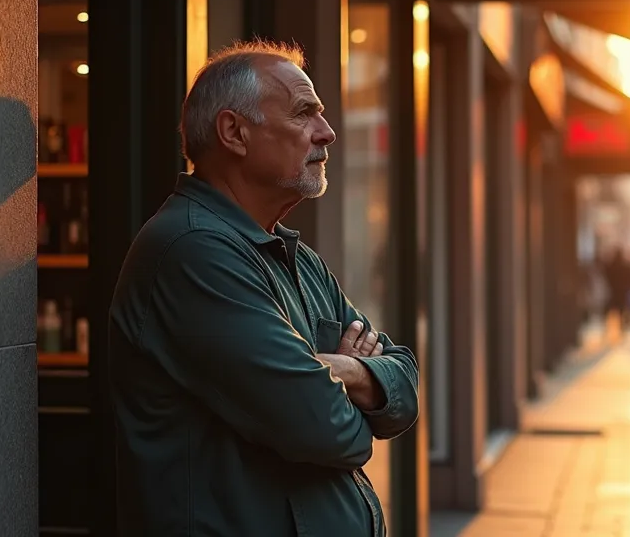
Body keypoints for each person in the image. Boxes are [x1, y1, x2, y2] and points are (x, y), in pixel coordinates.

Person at [107, 41, 420, 536]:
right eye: (304, 113)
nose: (327, 132)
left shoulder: (295, 258)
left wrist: (340, 368)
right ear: (234, 132)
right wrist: (356, 395)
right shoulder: (193, 251)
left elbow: (405, 384)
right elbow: (327, 429)